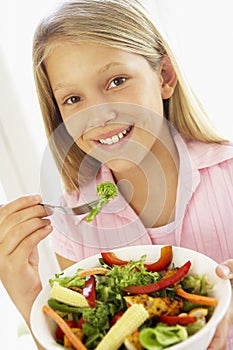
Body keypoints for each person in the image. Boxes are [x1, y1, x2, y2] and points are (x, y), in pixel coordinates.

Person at [0, 0, 232, 349]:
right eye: (73, 99)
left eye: (116, 81)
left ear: (164, 76)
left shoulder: (227, 171)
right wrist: (29, 294)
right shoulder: (75, 224)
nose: (97, 115)